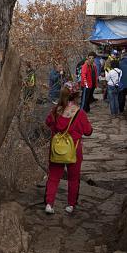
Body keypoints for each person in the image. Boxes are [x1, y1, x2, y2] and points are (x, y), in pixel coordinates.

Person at [43, 84, 92, 214]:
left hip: (56, 149)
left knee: (53, 176)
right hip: (74, 150)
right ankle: (70, 205)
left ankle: (49, 204)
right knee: (73, 178)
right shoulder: (79, 113)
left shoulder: (55, 110)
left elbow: (48, 122)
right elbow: (88, 131)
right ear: (76, 97)